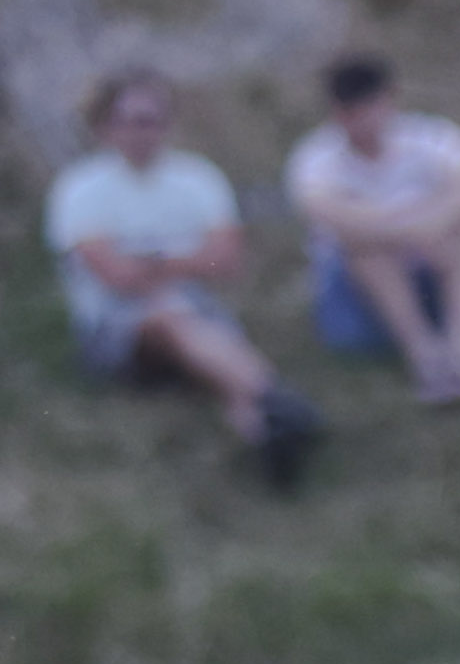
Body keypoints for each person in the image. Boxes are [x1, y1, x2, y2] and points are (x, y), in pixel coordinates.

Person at [45, 69, 319, 487]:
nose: (143, 132)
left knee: (211, 350)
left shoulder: (197, 178)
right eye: (131, 121)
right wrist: (186, 260)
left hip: (197, 310)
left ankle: (269, 433)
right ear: (105, 126)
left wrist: (152, 262)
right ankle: (276, 401)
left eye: (152, 120)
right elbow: (117, 277)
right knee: (172, 320)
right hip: (112, 328)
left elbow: (227, 262)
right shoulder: (80, 189)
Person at [285, 56, 460, 403]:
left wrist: (439, 218)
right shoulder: (317, 156)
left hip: (431, 258)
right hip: (354, 283)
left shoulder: (428, 136)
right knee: (364, 249)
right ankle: (425, 357)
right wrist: (413, 227)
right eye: (352, 111)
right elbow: (331, 215)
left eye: (369, 107)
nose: (363, 121)